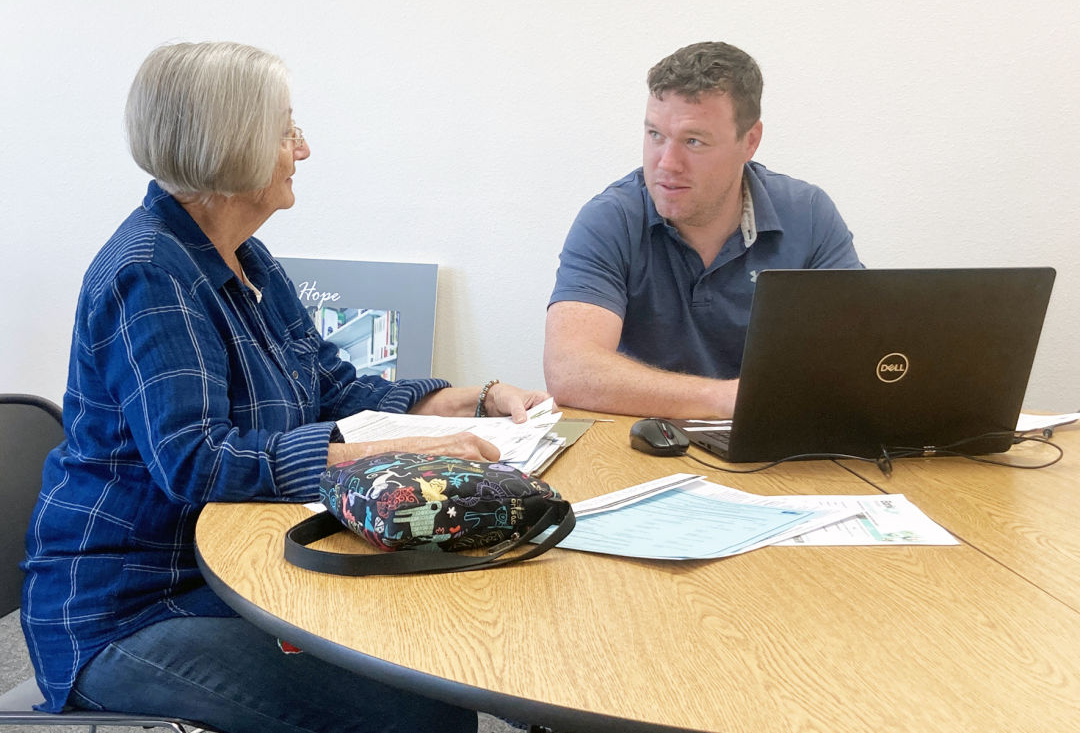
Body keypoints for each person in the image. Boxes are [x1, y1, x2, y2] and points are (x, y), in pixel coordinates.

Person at [20, 41, 548, 733]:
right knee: (419, 712)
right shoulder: (148, 273)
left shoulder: (246, 257)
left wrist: (478, 398)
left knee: (431, 659)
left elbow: (336, 388)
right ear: (233, 143)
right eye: (285, 130)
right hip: (127, 613)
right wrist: (389, 454)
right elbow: (196, 460)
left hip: (231, 576)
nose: (303, 149)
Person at [545, 41, 862, 419]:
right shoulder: (610, 219)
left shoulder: (807, 214)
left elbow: (856, 357)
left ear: (750, 141)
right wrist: (729, 400)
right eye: (655, 135)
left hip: (771, 446)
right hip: (642, 446)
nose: (666, 163)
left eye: (693, 141)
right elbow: (569, 370)